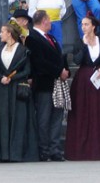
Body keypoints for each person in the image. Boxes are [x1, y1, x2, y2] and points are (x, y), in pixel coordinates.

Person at [65, 15, 100, 161]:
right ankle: (81, 150)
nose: (83, 27)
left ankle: (99, 150)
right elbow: (77, 60)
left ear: (93, 26)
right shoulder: (79, 42)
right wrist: (85, 45)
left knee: (99, 112)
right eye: (82, 24)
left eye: (86, 24)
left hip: (99, 80)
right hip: (83, 80)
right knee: (82, 113)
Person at [0, 20, 39, 162]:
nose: (0, 34)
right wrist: (1, 77)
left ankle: (17, 153)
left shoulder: (23, 50)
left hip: (17, 88)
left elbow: (27, 70)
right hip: (3, 89)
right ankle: (4, 154)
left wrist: (12, 78)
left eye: (3, 32)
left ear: (9, 33)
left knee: (18, 120)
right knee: (3, 119)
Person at [27, 10, 68, 162]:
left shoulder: (51, 38)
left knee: (57, 117)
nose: (51, 23)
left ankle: (55, 149)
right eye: (49, 20)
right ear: (44, 21)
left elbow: (60, 57)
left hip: (57, 83)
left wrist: (66, 70)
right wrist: (59, 71)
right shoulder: (32, 38)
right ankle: (43, 149)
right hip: (43, 84)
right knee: (44, 118)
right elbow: (39, 62)